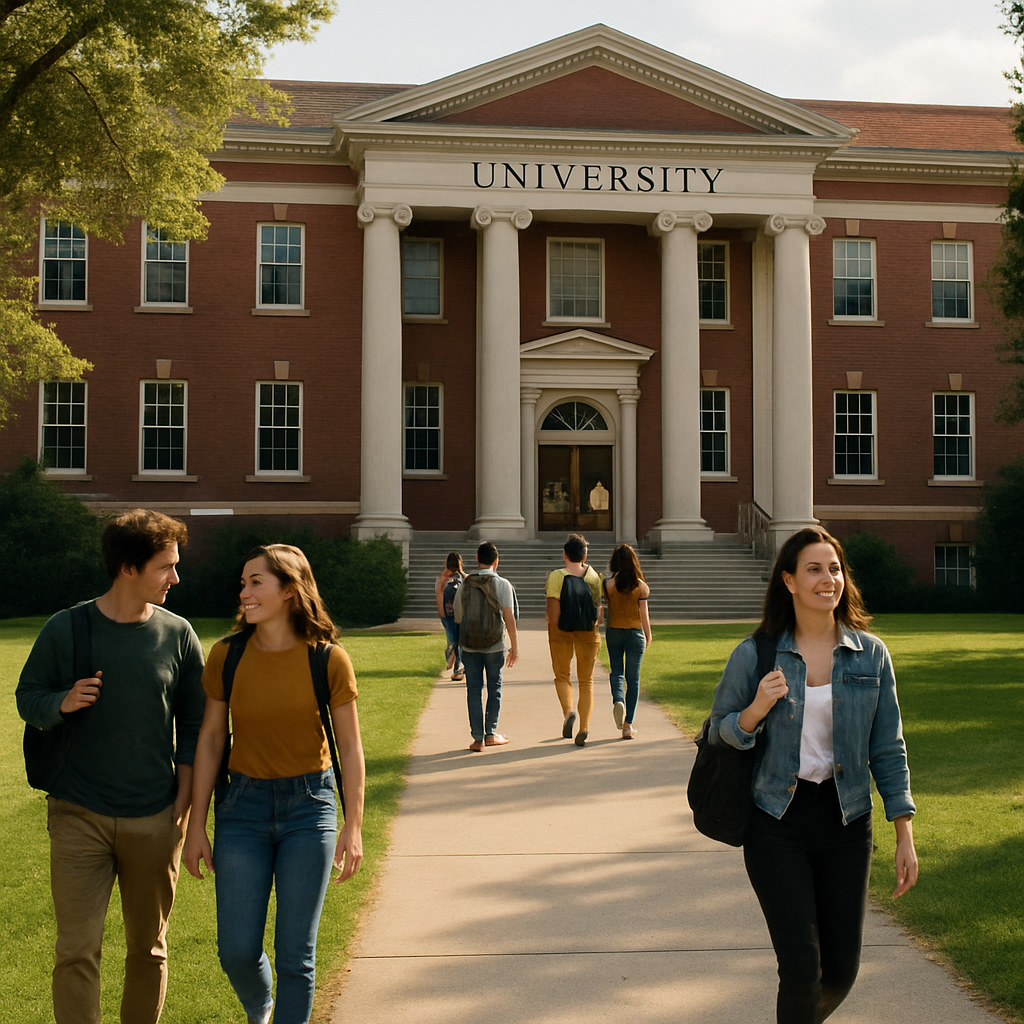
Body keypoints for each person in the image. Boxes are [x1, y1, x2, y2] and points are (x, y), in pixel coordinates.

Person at [710, 527, 918, 1024]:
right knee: (802, 969)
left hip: (847, 823)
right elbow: (719, 733)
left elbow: (888, 748)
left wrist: (903, 831)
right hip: (776, 821)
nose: (829, 579)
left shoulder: (872, 655)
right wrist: (756, 709)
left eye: (835, 569)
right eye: (814, 569)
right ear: (789, 580)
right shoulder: (755, 654)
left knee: (841, 972)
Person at [16, 508, 206, 1024]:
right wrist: (62, 701)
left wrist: (184, 806)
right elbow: (27, 696)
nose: (176, 577)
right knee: (76, 949)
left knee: (149, 950)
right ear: (128, 567)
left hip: (156, 817)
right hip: (78, 815)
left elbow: (195, 728)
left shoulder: (179, 635)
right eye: (166, 566)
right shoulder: (67, 628)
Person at [183, 544, 365, 1024]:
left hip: (311, 807)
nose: (244, 592)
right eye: (243, 583)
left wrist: (354, 826)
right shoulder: (227, 655)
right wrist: (196, 825)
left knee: (295, 956)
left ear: (289, 589)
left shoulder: (328, 659)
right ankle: (260, 1003)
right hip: (242, 808)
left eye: (255, 582)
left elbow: (350, 748)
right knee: (237, 950)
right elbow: (209, 742)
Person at [453, 541, 519, 751]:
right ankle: (491, 733)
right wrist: (514, 647)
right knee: (494, 687)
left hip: (470, 646)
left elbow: (458, 616)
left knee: (473, 689)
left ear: (477, 559)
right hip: (494, 644)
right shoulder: (503, 584)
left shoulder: (466, 584)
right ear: (496, 561)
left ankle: (477, 738)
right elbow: (509, 618)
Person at [545, 533, 603, 746]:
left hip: (562, 631)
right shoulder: (594, 577)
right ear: (584, 556)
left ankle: (569, 712)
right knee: (586, 680)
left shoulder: (556, 576)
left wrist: (554, 628)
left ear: (565, 555)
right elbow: (599, 610)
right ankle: (585, 727)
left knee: (562, 676)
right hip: (588, 631)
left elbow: (553, 610)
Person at [603, 543, 652, 739]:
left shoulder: (608, 584)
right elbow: (644, 614)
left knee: (617, 672)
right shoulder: (641, 586)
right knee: (634, 679)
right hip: (635, 633)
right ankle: (628, 724)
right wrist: (648, 635)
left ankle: (618, 699)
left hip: (614, 630)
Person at [435, 551, 466, 681]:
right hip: (461, 614)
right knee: (458, 642)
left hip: (447, 614)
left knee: (453, 641)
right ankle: (456, 665)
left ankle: (453, 660)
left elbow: (439, 596)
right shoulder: (463, 578)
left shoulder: (442, 579)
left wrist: (442, 614)